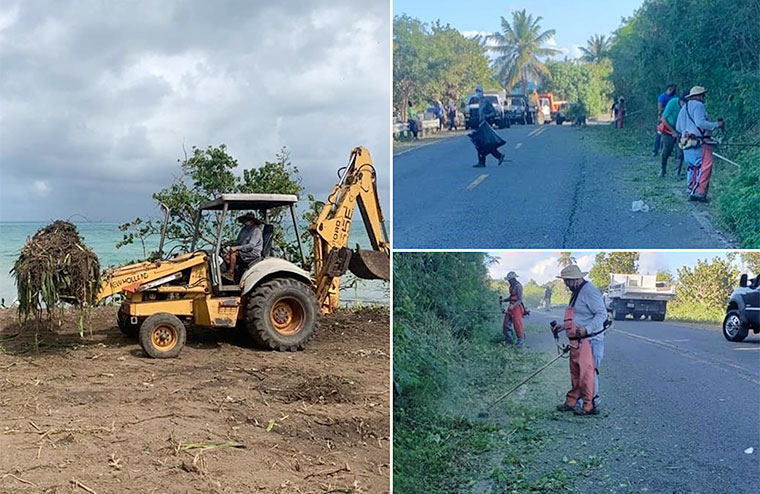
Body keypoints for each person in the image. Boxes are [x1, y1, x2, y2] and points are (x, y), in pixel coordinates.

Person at [554, 265, 607, 416]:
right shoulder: (577, 292)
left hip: (591, 340)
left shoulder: (589, 291)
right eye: (565, 281)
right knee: (577, 374)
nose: (566, 285)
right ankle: (575, 402)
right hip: (578, 340)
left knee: (588, 374)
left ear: (576, 279)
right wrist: (562, 327)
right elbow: (578, 317)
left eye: (568, 281)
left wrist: (588, 329)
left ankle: (592, 405)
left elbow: (601, 314)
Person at [675, 86, 724, 202]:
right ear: (698, 96)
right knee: (704, 166)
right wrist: (716, 125)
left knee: (692, 166)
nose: (704, 97)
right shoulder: (699, 105)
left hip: (686, 141)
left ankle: (690, 188)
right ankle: (699, 192)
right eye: (702, 95)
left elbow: (678, 127)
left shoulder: (684, 108)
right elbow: (700, 123)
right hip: (699, 141)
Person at [469, 85, 506, 168]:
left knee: (482, 144)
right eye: (476, 91)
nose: (478, 93)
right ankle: (498, 156)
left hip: (486, 125)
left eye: (479, 91)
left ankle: (483, 161)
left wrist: (487, 116)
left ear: (482, 92)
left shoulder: (486, 101)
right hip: (481, 124)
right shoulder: (480, 101)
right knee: (483, 144)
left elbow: (493, 112)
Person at [222, 212, 263, 280]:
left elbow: (251, 246)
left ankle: (231, 273)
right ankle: (235, 273)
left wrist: (236, 248)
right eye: (246, 220)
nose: (246, 222)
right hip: (244, 251)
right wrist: (229, 243)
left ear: (253, 221)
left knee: (233, 254)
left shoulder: (256, 230)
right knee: (225, 255)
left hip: (252, 253)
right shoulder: (244, 229)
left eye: (248, 220)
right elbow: (239, 242)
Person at [659, 91, 687, 177]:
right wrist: (673, 131)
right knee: (666, 150)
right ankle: (663, 169)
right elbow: (663, 118)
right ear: (681, 100)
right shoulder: (672, 103)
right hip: (669, 128)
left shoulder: (688, 107)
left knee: (680, 151)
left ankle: (677, 172)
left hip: (681, 129)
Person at [501, 271, 525, 346]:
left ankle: (521, 340)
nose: (509, 281)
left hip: (517, 307)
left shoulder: (518, 286)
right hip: (511, 307)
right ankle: (509, 339)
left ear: (513, 279)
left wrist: (513, 306)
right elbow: (511, 297)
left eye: (510, 280)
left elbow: (519, 299)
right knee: (506, 323)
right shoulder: (511, 287)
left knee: (517, 324)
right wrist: (504, 300)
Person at [653, 84, 677, 156]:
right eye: (672, 89)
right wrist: (669, 108)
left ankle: (670, 151)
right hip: (662, 118)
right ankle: (655, 150)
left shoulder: (675, 97)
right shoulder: (662, 97)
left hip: (672, 120)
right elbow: (660, 108)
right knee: (659, 134)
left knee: (672, 135)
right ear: (669, 88)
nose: (673, 90)